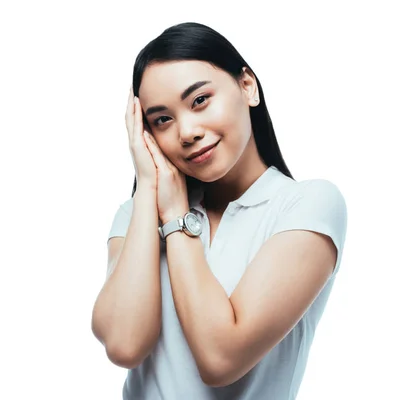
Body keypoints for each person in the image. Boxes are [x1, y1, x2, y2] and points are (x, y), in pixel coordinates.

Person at [90, 22, 348, 399]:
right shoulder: (136, 215)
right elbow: (125, 345)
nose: (187, 131)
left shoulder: (307, 206)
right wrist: (148, 188)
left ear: (247, 86)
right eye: (162, 119)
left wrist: (176, 218)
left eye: (199, 100)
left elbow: (220, 358)